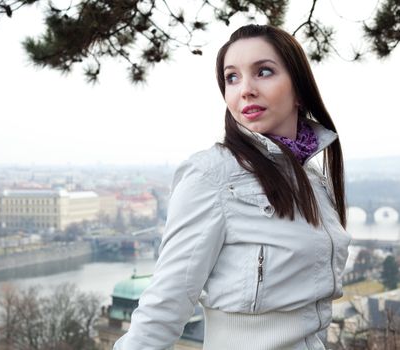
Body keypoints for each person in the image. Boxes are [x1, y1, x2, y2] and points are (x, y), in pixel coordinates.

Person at [113, 24, 351, 350]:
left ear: (299, 89)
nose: (245, 89)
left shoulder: (315, 182)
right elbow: (164, 307)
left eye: (263, 72)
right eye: (232, 77)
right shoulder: (211, 177)